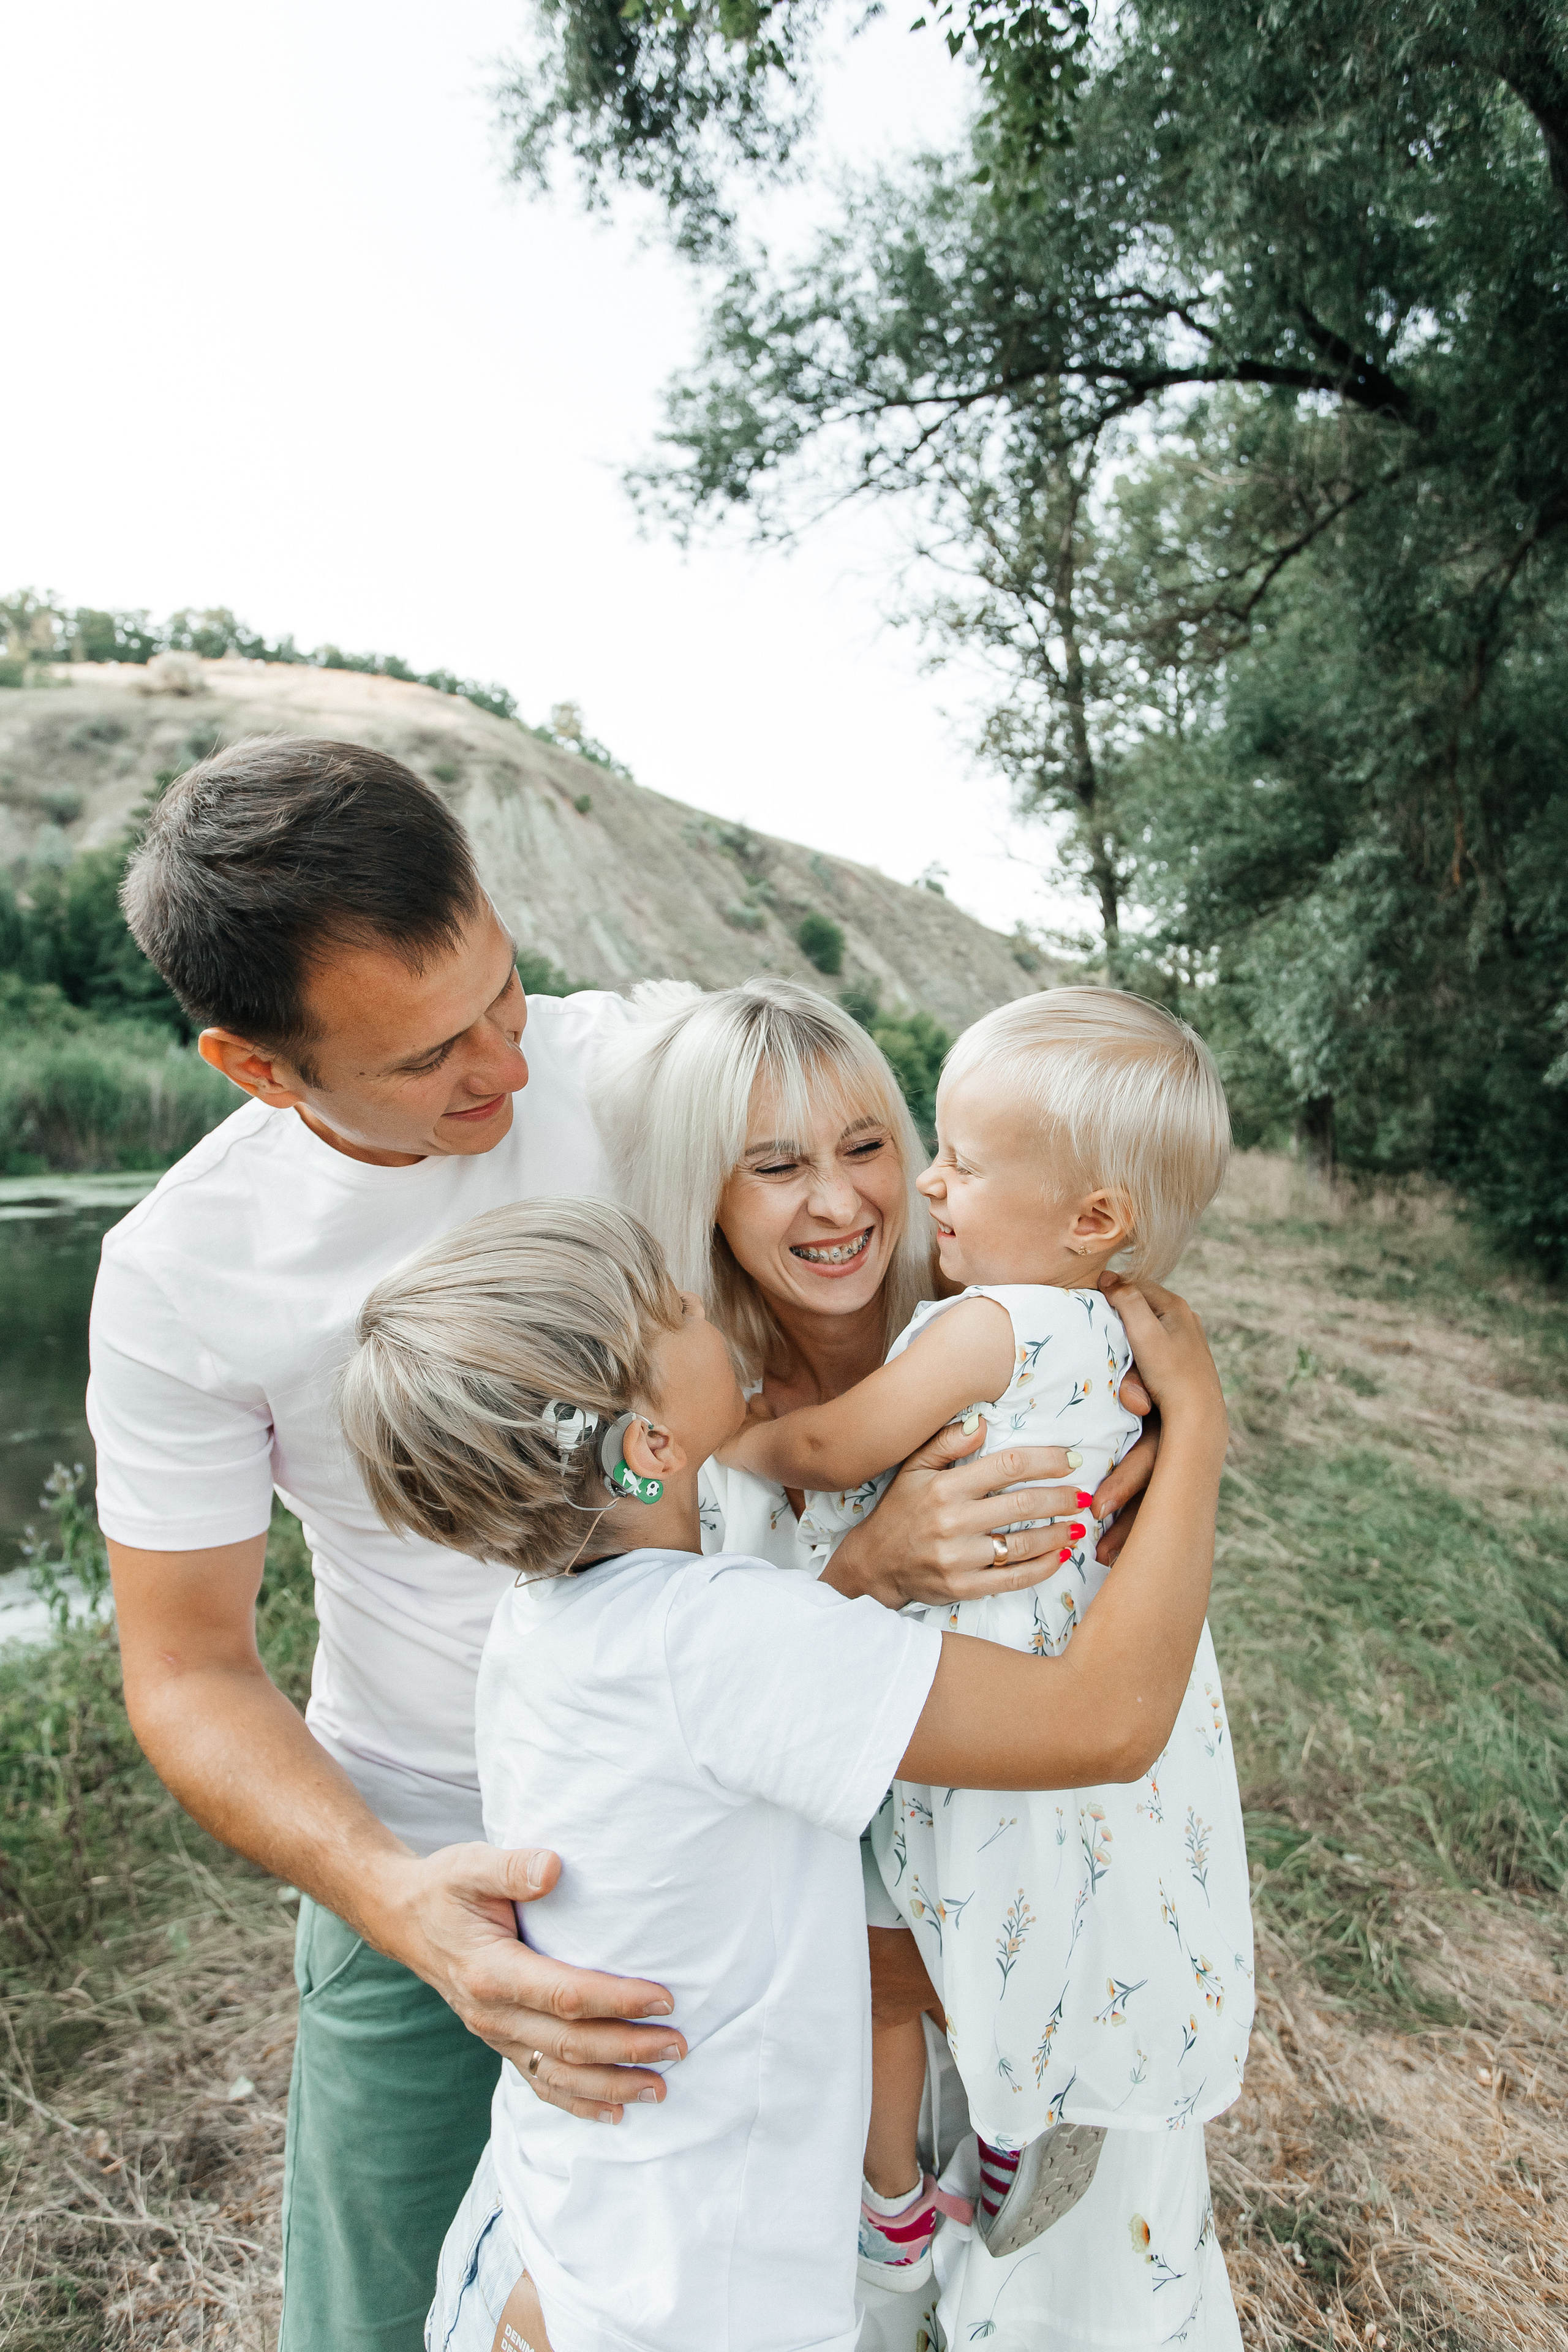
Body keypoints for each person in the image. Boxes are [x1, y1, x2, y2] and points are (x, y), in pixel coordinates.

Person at [87, 740, 1148, 2352]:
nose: (509, 1072)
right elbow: (186, 1670)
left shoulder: (653, 1061)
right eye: (433, 1057)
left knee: (775, 2259)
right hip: (440, 1843)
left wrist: (1094, 1408)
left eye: (505, 996)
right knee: (379, 2315)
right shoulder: (179, 1278)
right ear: (257, 1067)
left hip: (753, 1813)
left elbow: (953, 1234)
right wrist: (403, 1904)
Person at [336, 1194, 1231, 2352]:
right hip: (690, 2295)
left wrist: (860, 1573)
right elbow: (1106, 1724)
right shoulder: (714, 1637)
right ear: (651, 1448)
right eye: (673, 1311)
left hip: (560, 2230)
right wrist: (1198, 1432)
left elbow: (732, 1730)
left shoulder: (548, 1624)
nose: (703, 1307)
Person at [723, 990, 1253, 2349]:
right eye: (775, 1163)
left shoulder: (982, 1327)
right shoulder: (1110, 1333)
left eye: (893, 1148)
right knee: (997, 1926)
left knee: (907, 1941)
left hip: (1002, 1703)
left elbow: (837, 1452)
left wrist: (751, 1442)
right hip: (1019, 1718)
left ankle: (914, 2176)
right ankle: (1019, 2120)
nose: (897, 1190)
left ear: (1089, 1217)